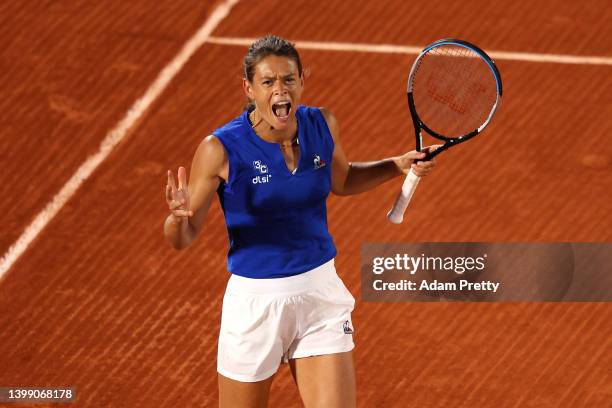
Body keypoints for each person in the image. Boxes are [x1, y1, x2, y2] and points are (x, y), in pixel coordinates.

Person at [163, 35, 437, 408]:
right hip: (255, 305)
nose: (281, 90)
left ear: (302, 81)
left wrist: (396, 165)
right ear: (249, 88)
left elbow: (341, 180)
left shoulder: (322, 124)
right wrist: (178, 218)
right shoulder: (220, 149)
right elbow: (182, 236)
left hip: (318, 293)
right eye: (268, 82)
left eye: (288, 79)